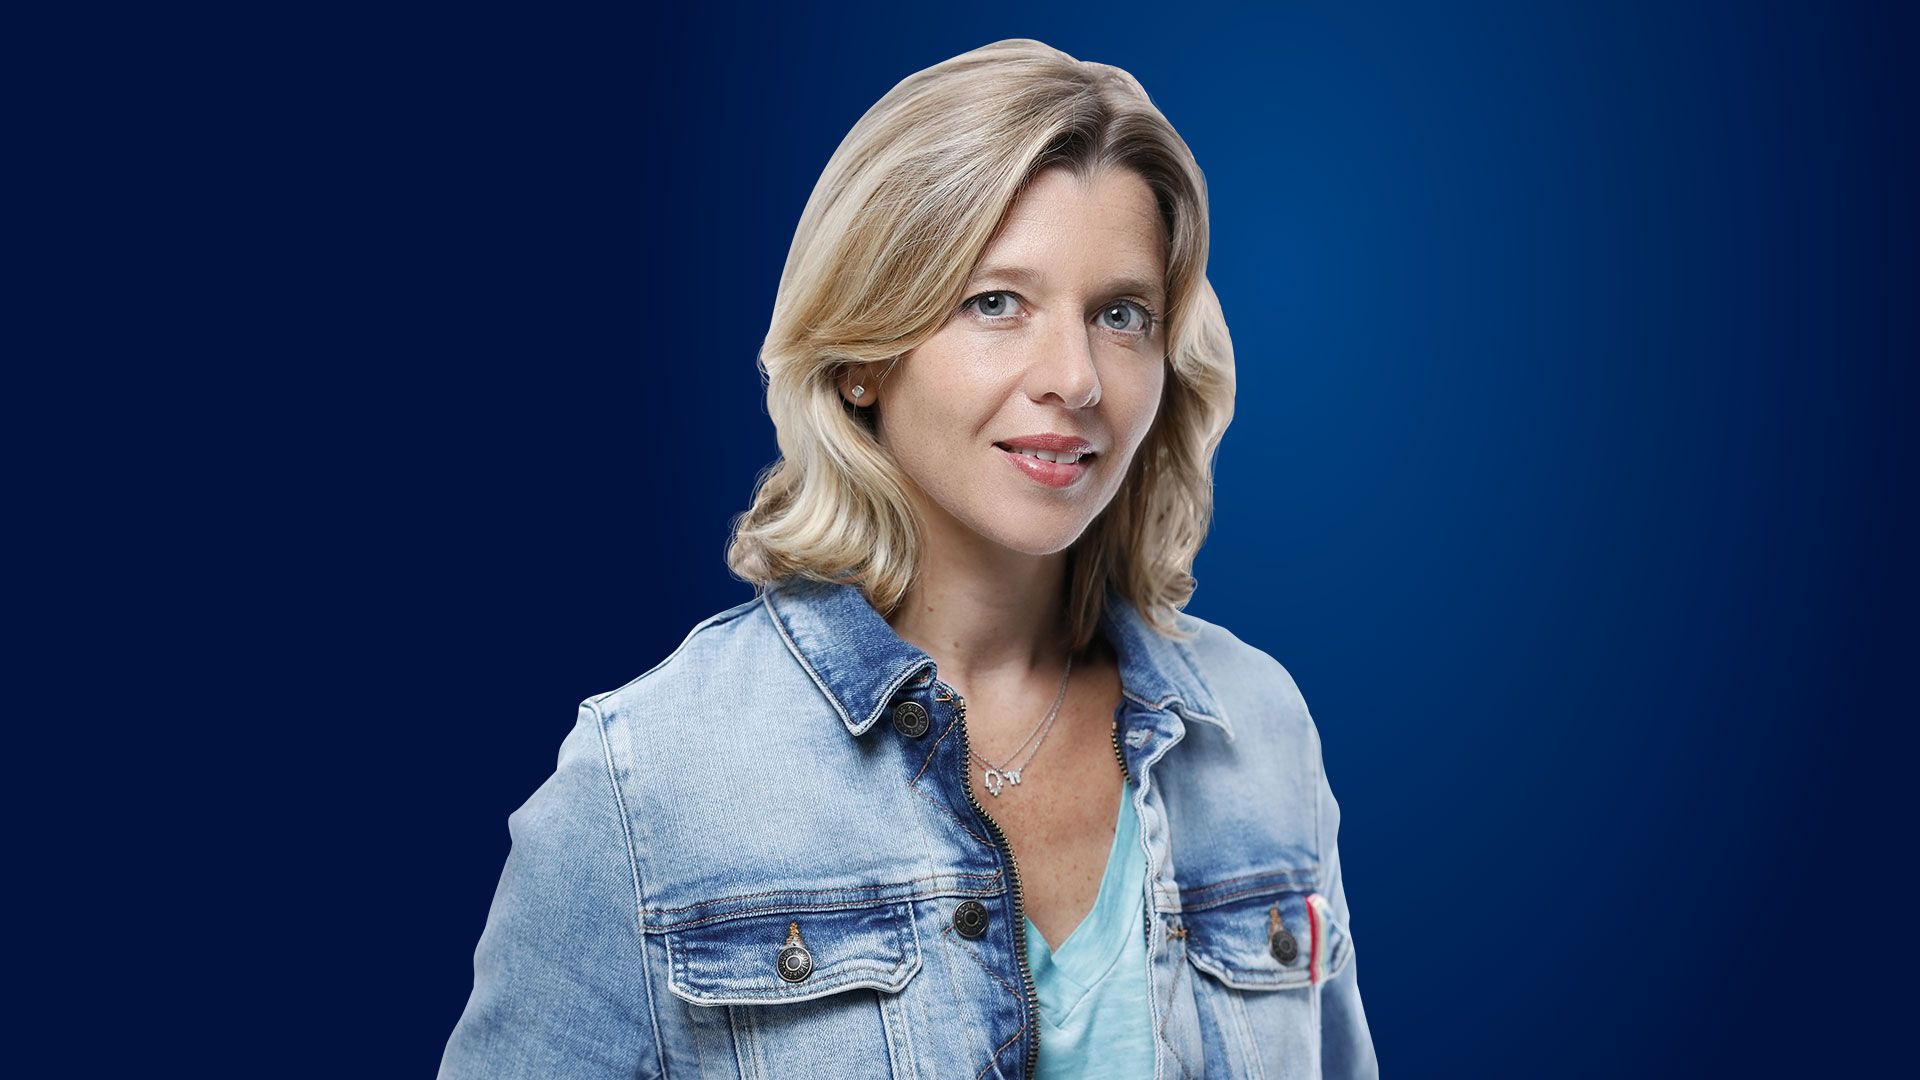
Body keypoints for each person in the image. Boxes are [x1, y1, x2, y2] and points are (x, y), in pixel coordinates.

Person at [440, 38, 1378, 1079]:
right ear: (861, 356)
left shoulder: (1258, 732)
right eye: (995, 302)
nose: (1074, 377)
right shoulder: (648, 784)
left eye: (1121, 315)